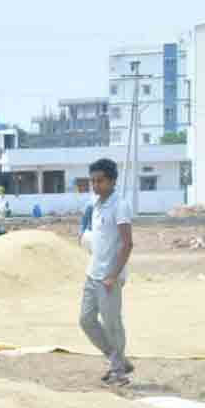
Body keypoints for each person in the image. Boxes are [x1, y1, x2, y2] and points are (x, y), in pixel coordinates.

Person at [78, 158, 135, 387]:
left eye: (100, 181)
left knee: (112, 324)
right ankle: (117, 358)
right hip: (93, 273)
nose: (95, 185)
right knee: (86, 320)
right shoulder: (96, 204)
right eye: (92, 181)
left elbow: (127, 243)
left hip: (109, 277)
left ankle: (119, 372)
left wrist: (113, 275)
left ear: (112, 181)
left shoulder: (120, 205)